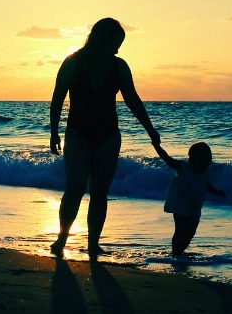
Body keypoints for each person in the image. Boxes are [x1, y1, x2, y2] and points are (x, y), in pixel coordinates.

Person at [49, 17, 159, 257]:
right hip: (78, 132)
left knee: (99, 192)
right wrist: (54, 132)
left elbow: (132, 99)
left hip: (108, 134)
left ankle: (93, 244)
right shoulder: (72, 63)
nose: (118, 49)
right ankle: (62, 238)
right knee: (75, 189)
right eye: (115, 43)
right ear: (102, 40)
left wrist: (150, 129)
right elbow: (57, 98)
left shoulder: (119, 66)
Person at [152, 141, 226, 257]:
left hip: (195, 207)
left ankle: (179, 251)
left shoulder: (203, 172)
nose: (203, 167)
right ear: (194, 160)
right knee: (180, 230)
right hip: (180, 205)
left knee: (191, 232)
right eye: (202, 163)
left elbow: (205, 185)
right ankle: (176, 252)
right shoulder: (182, 167)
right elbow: (167, 158)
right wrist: (157, 146)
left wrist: (217, 192)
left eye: (206, 164)